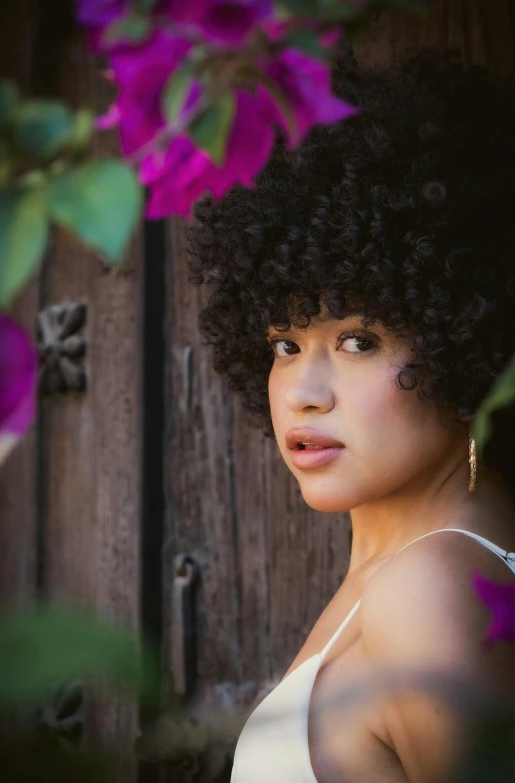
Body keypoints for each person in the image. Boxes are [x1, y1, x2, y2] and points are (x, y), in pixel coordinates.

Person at [187, 53, 515, 783]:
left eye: (358, 341)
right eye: (285, 343)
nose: (303, 391)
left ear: (463, 333)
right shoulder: (408, 561)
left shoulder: (430, 587)